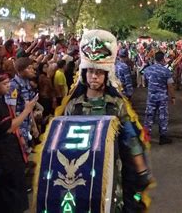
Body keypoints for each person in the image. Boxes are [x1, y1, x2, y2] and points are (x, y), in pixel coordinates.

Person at [63, 30, 151, 212]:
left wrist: (141, 170)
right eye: (91, 72)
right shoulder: (73, 106)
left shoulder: (116, 105)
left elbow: (130, 139)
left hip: (111, 169)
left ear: (106, 76)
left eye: (99, 72)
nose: (94, 76)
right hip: (80, 170)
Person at [0, 70, 37, 213]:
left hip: (9, 152)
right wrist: (27, 110)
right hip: (4, 156)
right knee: (9, 196)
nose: (8, 86)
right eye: (5, 83)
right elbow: (9, 127)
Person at [5, 57, 38, 152]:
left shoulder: (26, 82)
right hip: (18, 125)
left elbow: (29, 106)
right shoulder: (13, 86)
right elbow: (12, 111)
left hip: (26, 123)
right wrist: (18, 133)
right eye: (29, 68)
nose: (32, 70)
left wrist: (33, 125)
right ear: (21, 70)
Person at [143, 51, 175, 145]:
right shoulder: (166, 71)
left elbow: (145, 80)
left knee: (149, 116)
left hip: (151, 97)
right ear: (163, 59)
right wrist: (173, 97)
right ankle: (163, 137)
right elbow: (170, 86)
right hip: (162, 97)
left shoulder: (148, 70)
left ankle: (145, 137)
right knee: (163, 116)